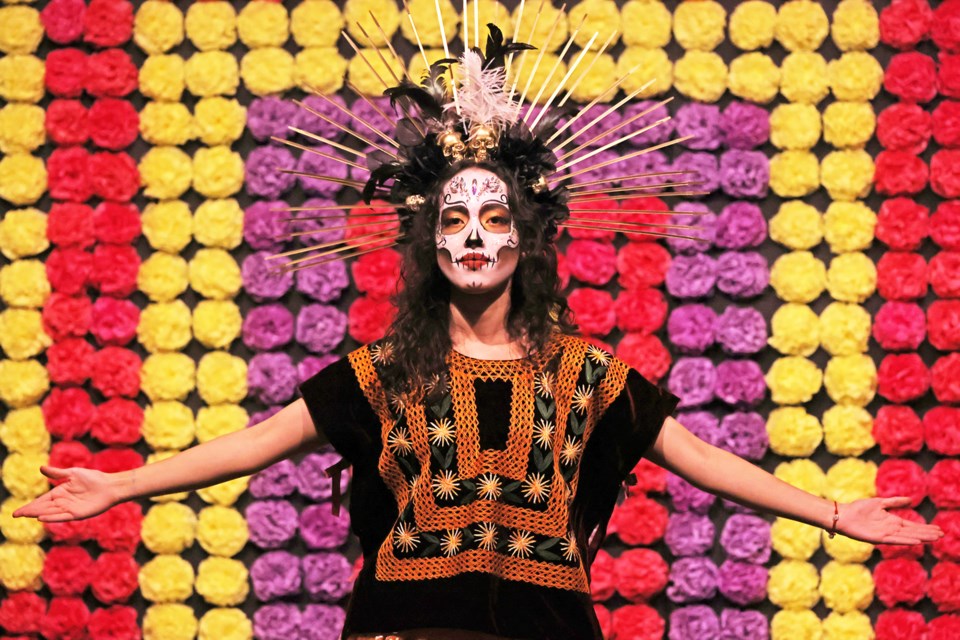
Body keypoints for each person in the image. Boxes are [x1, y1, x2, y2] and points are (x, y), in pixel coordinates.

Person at [15, 22, 943, 640]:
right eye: (454, 220)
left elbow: (703, 461)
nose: (472, 236)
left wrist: (834, 515)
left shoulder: (588, 378)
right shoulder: (382, 373)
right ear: (428, 240)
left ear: (526, 241)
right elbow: (254, 445)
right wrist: (120, 485)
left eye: (495, 218)